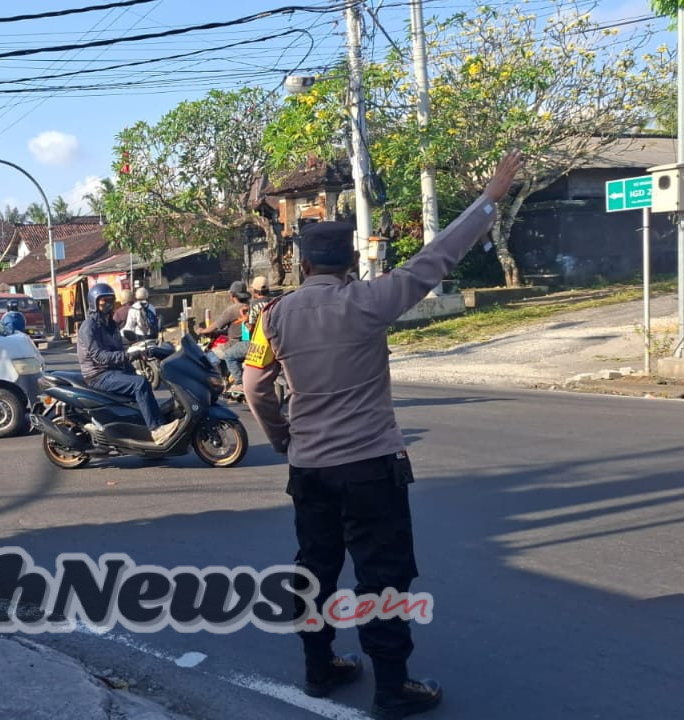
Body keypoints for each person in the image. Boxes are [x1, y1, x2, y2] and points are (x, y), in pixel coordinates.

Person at [242, 150, 524, 719]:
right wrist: (488, 200)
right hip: (372, 469)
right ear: (350, 262)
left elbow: (254, 388)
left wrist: (285, 441)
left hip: (311, 471)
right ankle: (392, 687)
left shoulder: (271, 318)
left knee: (315, 571)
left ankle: (319, 669)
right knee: (383, 577)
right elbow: (436, 257)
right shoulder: (372, 301)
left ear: (300, 266)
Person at [76, 282, 177, 443]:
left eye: (110, 301)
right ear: (94, 303)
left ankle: (151, 425)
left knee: (142, 383)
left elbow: (119, 344)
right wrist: (129, 356)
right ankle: (156, 430)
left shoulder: (110, 324)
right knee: (140, 384)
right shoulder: (89, 327)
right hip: (98, 374)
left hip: (112, 370)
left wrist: (139, 353)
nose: (108, 305)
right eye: (104, 302)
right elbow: (100, 357)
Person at [204, 281, 251, 390]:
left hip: (236, 344)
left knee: (211, 355)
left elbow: (214, 326)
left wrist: (202, 331)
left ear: (232, 295)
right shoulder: (248, 306)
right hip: (247, 340)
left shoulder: (232, 310)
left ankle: (222, 382)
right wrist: (221, 333)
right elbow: (241, 330)